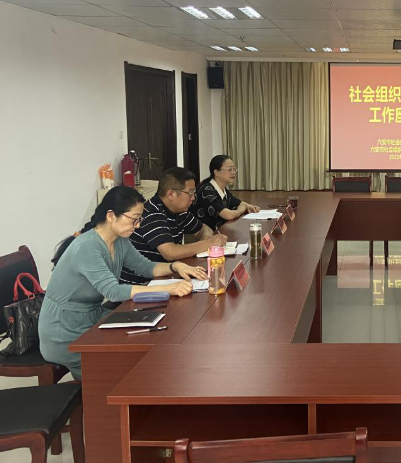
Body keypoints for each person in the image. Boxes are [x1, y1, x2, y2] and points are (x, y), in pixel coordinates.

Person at [39, 186, 207, 379]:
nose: (137, 225)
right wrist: (168, 288)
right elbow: (113, 291)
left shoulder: (120, 241)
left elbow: (145, 267)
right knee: (122, 364)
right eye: (134, 219)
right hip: (64, 331)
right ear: (111, 216)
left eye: (139, 219)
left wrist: (175, 266)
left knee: (146, 335)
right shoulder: (87, 247)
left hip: (91, 319)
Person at [121, 167, 227, 284]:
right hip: (142, 284)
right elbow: (170, 252)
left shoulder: (180, 211)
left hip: (165, 276)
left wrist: (206, 239)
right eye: (190, 192)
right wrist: (208, 244)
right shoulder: (151, 212)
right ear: (171, 194)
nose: (193, 198)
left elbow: (204, 229)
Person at [193, 155, 260, 231]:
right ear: (216, 172)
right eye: (229, 169)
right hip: (204, 235)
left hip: (219, 232)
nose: (233, 172)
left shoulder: (222, 189)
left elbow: (240, 203)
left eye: (234, 169)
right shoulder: (207, 191)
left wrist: (249, 206)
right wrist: (241, 210)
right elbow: (228, 215)